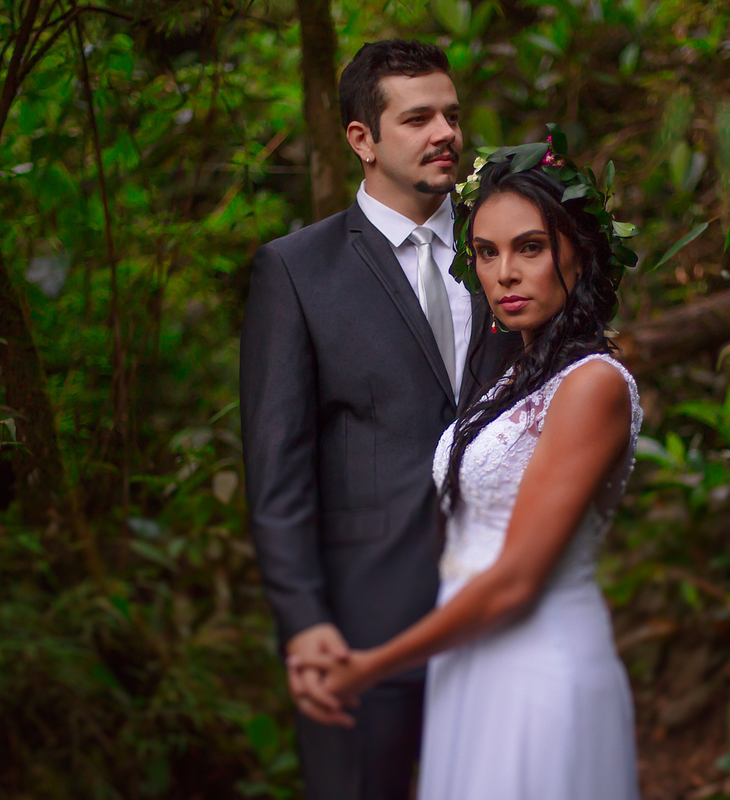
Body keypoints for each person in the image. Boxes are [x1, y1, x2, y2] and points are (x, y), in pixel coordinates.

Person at [293, 137, 643, 799]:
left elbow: (513, 582)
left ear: (580, 250)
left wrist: (371, 667)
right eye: (486, 252)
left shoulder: (591, 385)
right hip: (468, 666)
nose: (504, 274)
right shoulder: (509, 379)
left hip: (538, 671)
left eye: (530, 248)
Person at [239, 40, 520, 800]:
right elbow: (278, 471)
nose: (446, 134)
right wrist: (302, 620)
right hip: (363, 620)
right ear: (361, 139)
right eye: (419, 118)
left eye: (453, 116)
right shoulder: (296, 272)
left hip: (500, 611)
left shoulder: (505, 251)